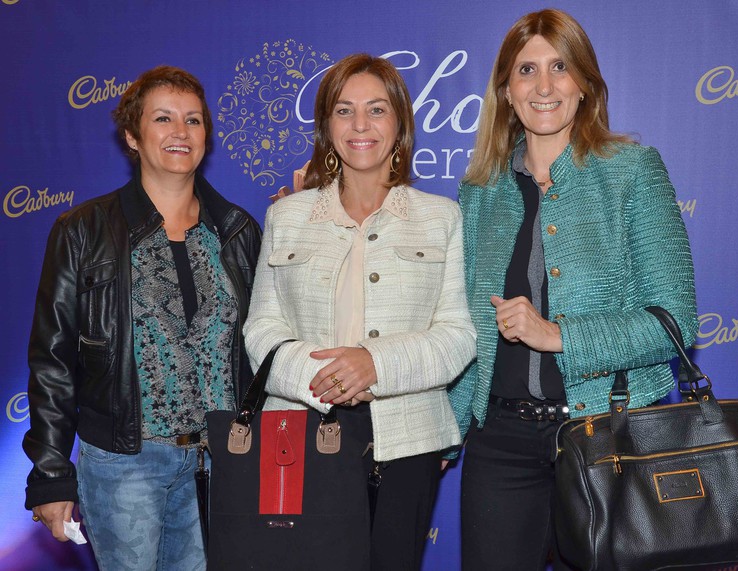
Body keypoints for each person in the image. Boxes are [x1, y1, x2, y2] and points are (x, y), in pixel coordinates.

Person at [446, 9, 698, 570]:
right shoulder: (479, 192)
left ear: (585, 84)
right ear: (506, 91)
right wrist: (448, 430)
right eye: (526, 70)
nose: (543, 85)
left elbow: (675, 323)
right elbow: (468, 328)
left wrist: (558, 335)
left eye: (559, 67)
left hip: (609, 437)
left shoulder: (632, 171)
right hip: (500, 445)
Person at [242, 53, 476, 570]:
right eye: (344, 110)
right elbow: (261, 329)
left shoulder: (441, 218)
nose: (361, 125)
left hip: (408, 435)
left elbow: (458, 334)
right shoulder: (287, 216)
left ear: (400, 124)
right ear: (327, 125)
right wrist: (321, 378)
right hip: (300, 430)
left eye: (377, 109)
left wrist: (375, 365)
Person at [22, 65, 261, 570]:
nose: (181, 132)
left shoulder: (237, 231)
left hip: (220, 461)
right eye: (163, 118)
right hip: (124, 463)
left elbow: (261, 346)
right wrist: (51, 474)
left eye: (193, 120)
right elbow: (52, 361)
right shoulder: (83, 230)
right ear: (132, 135)